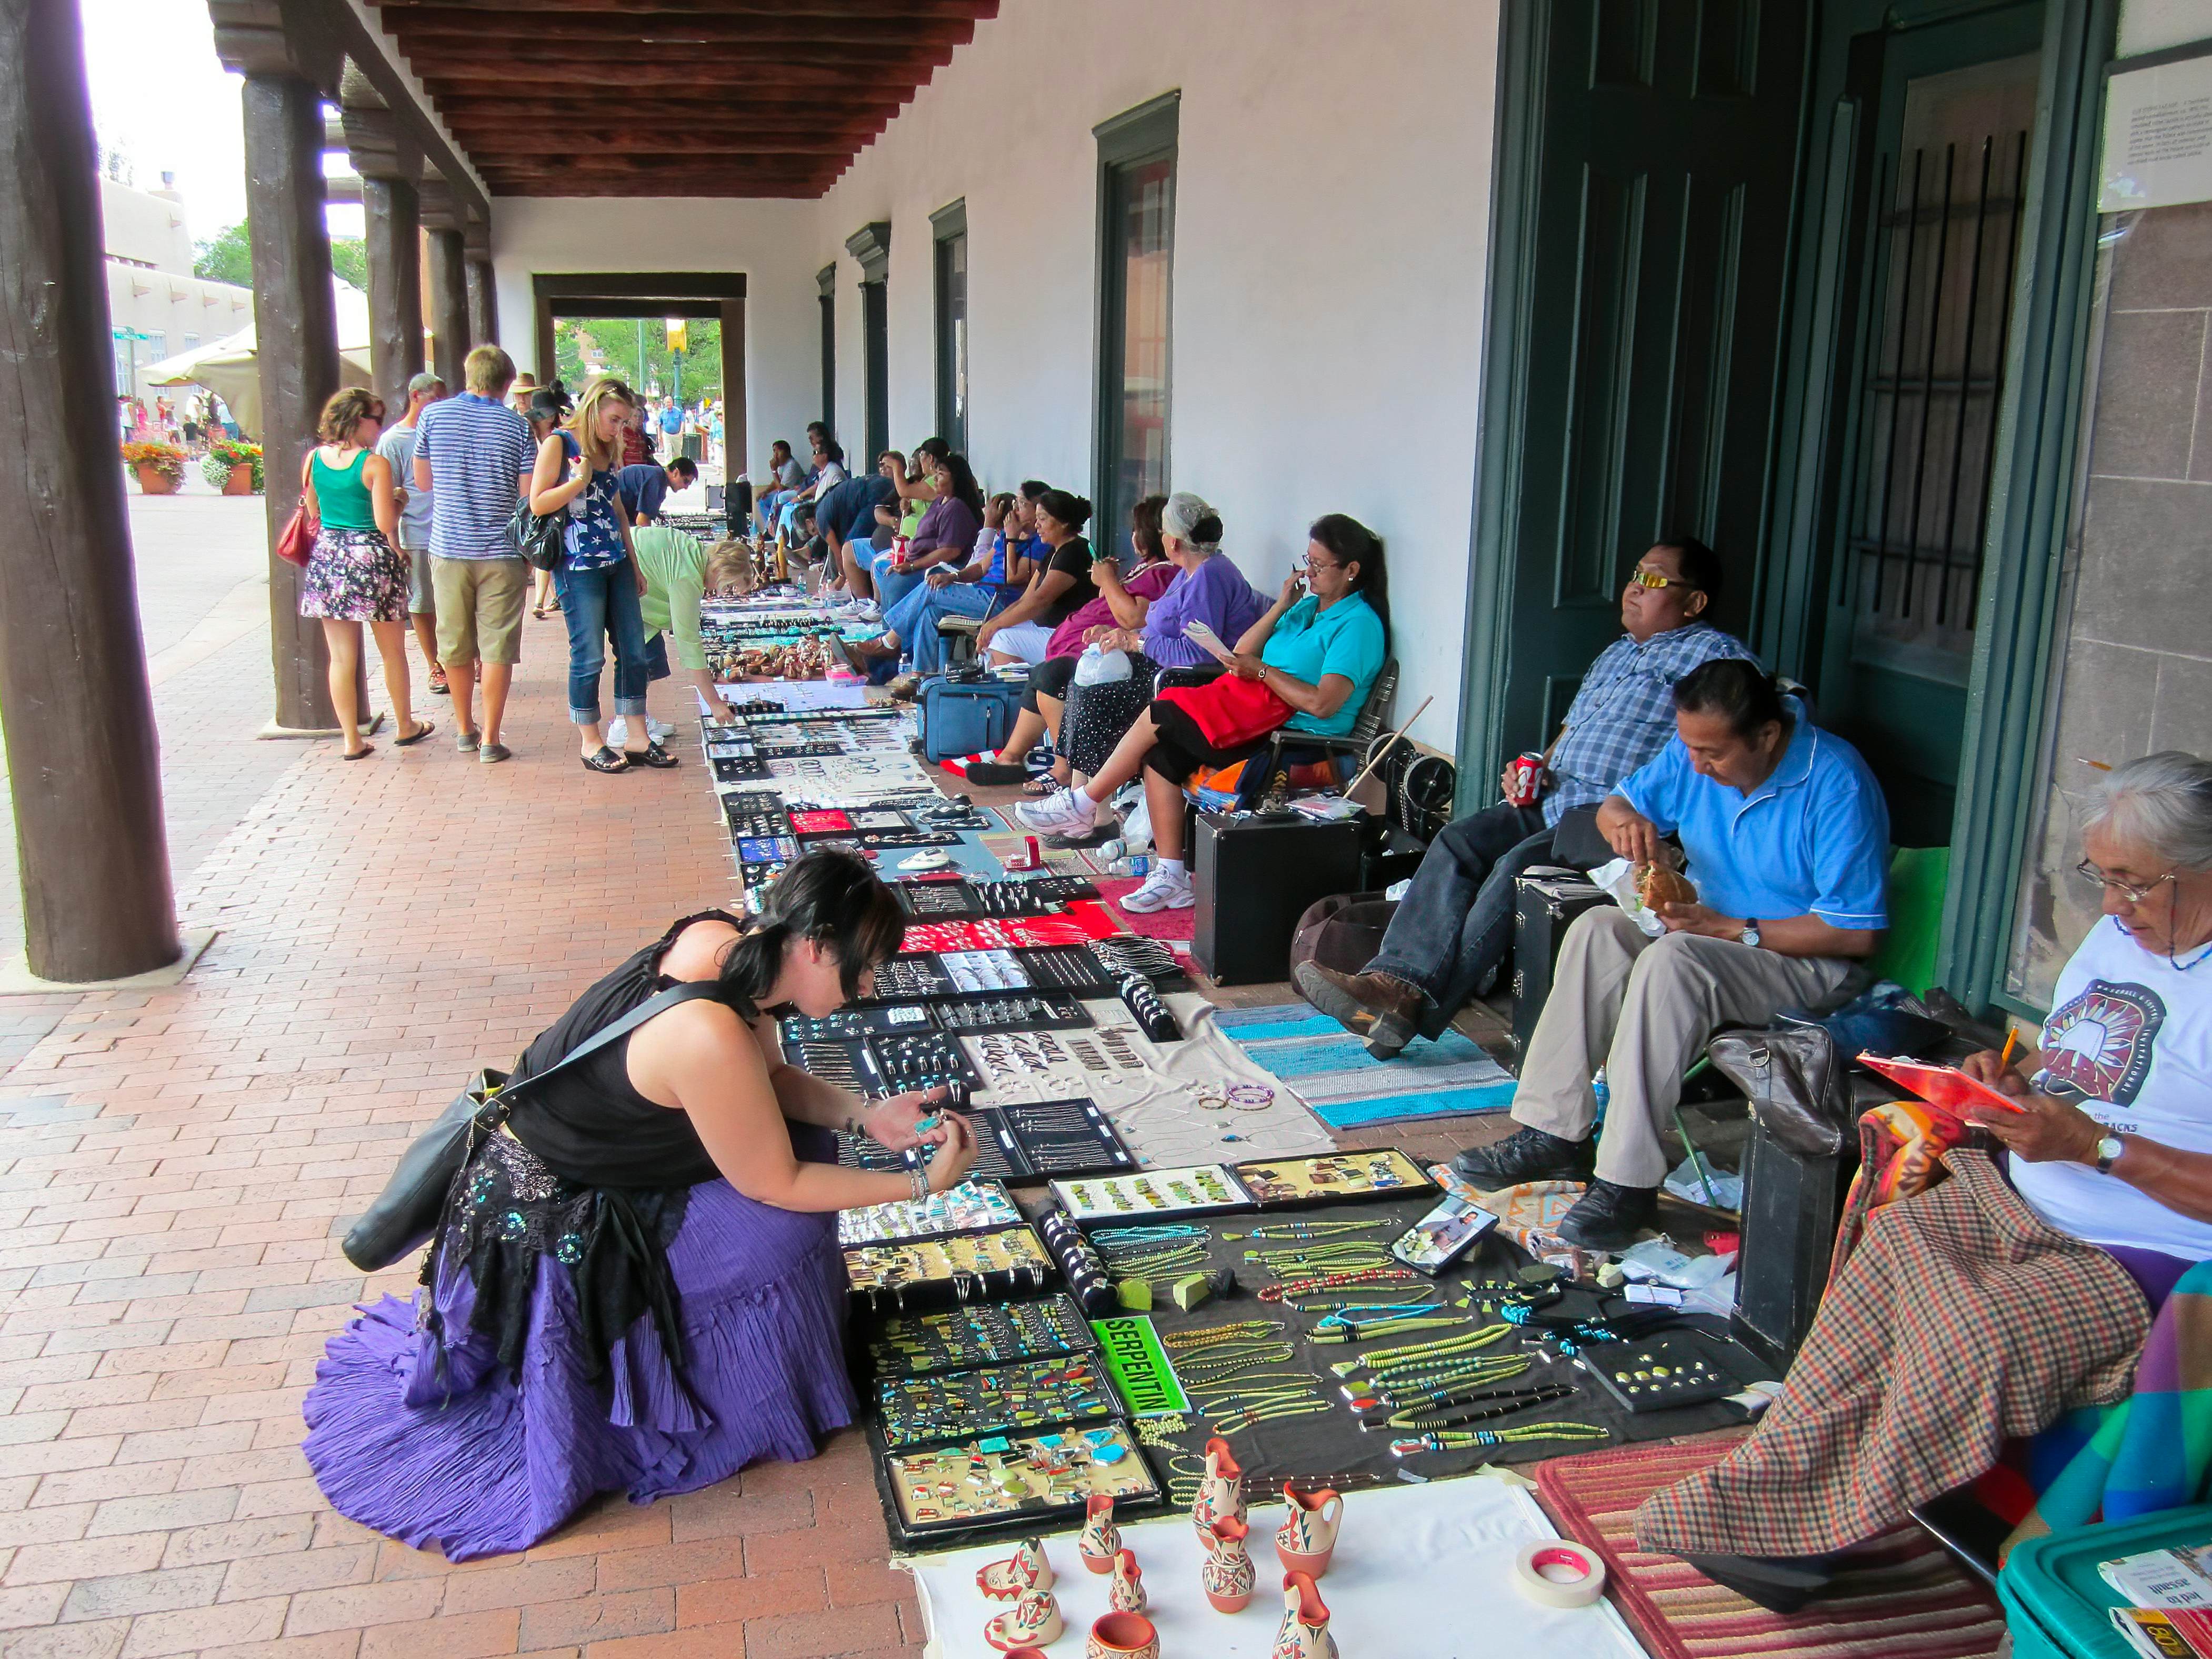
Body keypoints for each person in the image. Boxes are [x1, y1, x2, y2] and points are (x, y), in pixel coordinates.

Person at [1633, 751, 2212, 1610]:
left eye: (2133, 884)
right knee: (1896, 1240)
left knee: (1968, 1321)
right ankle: (1760, 1485)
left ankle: (1812, 1538)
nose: (2111, 905)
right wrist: (2012, 1078)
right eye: (2102, 878)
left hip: (2144, 1248)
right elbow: (2077, 1058)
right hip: (2023, 1187)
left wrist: (2098, 1151)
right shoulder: (2117, 935)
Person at [302, 850, 982, 1561]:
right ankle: (734, 1398)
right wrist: (922, 1185)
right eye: (866, 966)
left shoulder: (727, 944)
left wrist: (866, 1117)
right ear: (815, 948)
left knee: (809, 1143)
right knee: (782, 1226)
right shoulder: (707, 1032)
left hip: (574, 1166)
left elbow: (771, 1077)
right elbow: (772, 1183)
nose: (867, 987)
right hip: (553, 1219)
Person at [1448, 659, 1889, 1249]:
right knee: (1598, 929)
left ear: (1767, 734)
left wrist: (1735, 927)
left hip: (1801, 960)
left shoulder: (1837, 781)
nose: (1698, 765)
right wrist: (1627, 827)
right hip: (1708, 935)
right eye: (1691, 749)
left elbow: (1853, 933)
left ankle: (1626, 1180)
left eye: (1713, 753)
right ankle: (1554, 1131)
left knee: (1672, 960)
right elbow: (1615, 806)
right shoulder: (1696, 754)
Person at [1298, 538, 1756, 1056]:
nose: (1633, 587)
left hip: (1610, 817)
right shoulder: (1616, 653)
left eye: (1653, 580)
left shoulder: (1715, 659)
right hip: (1549, 798)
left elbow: (1712, 747)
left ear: (1694, 602)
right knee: (1457, 840)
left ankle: (1407, 1004)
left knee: (1516, 866)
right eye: (1634, 573)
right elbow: (1568, 734)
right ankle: (1395, 982)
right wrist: (1527, 768)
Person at [1018, 514, 1390, 913]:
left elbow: (1323, 703)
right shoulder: (1307, 609)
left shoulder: (1357, 625)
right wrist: (1283, 605)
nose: (1309, 572)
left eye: (1319, 565)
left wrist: (1263, 672)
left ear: (1351, 570)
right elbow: (1242, 651)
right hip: (1254, 714)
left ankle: (1084, 802)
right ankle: (1171, 875)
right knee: (1161, 755)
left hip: (1297, 739)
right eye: (1308, 561)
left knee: (1163, 714)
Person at [1050, 492, 1269, 793]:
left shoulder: (1210, 576)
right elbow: (1157, 625)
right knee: (1084, 680)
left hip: (1193, 679)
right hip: (1166, 668)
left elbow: (1196, 653)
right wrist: (1115, 633)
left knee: (1099, 695)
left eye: (1165, 532)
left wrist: (1138, 644)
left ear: (1174, 542)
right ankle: (1077, 796)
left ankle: (1092, 809)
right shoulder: (1190, 572)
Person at [960, 495, 1180, 795]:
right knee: (1042, 675)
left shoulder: (1164, 573)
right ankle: (1012, 758)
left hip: (1120, 660)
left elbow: (1132, 617)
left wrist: (1107, 582)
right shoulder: (1144, 567)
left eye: (1136, 529)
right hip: (1089, 646)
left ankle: (1063, 767)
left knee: (1052, 675)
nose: (1131, 536)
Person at [528, 377, 670, 774]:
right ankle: (590, 741)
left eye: (624, 422)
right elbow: (538, 503)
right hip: (577, 565)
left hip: (616, 561)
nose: (619, 429)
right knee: (589, 655)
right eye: (614, 420)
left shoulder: (610, 448)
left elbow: (618, 508)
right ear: (592, 409)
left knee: (634, 650)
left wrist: (634, 562)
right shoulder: (560, 443)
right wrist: (579, 480)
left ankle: (637, 735)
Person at [297, 388, 433, 761]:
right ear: (358, 419)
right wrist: (400, 499)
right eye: (376, 418)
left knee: (340, 658)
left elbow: (312, 511)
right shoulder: (374, 465)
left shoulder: (313, 460)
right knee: (392, 653)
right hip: (371, 559)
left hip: (329, 559)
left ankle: (351, 740)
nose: (380, 425)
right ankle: (406, 726)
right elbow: (384, 521)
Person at [416, 345, 533, 764]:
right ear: (506, 384)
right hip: (502, 551)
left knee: (455, 643)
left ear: (468, 376)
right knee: (498, 647)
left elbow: (423, 481)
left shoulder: (432, 416)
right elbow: (527, 497)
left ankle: (465, 728)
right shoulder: (517, 427)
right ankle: (491, 738)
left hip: (448, 548)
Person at [843, 453, 987, 670]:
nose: (936, 479)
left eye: (941, 475)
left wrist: (912, 566)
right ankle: (879, 657)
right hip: (922, 563)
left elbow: (949, 552)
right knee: (888, 575)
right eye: (936, 473)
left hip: (943, 569)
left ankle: (890, 647)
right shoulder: (940, 501)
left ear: (956, 479)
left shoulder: (956, 507)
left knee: (899, 585)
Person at [375, 371, 450, 698]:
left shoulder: (446, 433)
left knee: (456, 600)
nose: (439, 407)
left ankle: (464, 658)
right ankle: (436, 665)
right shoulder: (394, 440)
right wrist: (394, 542)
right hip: (416, 531)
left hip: (450, 530)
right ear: (415, 397)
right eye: (435, 399)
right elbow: (387, 493)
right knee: (422, 603)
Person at [975, 489, 1101, 668]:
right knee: (993, 637)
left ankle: (1018, 691)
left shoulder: (1075, 552)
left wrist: (994, 628)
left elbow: (1040, 600)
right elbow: (1026, 598)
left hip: (1068, 636)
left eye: (1042, 519)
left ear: (1063, 523)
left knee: (1001, 639)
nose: (1037, 525)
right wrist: (991, 625)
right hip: (1045, 630)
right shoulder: (1055, 550)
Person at [626, 519, 720, 741]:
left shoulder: (694, 552)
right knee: (636, 659)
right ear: (719, 570)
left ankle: (636, 718)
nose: (717, 591)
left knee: (648, 656)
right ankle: (625, 724)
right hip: (624, 580)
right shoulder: (687, 577)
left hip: (632, 577)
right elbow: (688, 642)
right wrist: (714, 703)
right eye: (725, 584)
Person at [523, 386, 574, 622]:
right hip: (538, 502)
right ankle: (543, 599)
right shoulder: (531, 436)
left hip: (555, 502)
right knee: (543, 552)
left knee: (545, 552)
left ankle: (542, 599)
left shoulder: (558, 439)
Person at [616, 455, 698, 526]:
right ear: (676, 473)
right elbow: (642, 522)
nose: (686, 487)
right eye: (686, 482)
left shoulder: (659, 476)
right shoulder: (657, 480)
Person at [752, 439, 806, 535]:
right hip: (783, 494)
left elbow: (782, 489)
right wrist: (766, 492)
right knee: (763, 500)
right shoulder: (782, 466)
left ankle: (772, 530)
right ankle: (771, 529)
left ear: (786, 453)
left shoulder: (791, 465)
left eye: (778, 451)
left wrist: (774, 471)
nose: (775, 455)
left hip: (793, 496)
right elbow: (777, 481)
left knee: (778, 498)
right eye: (774, 451)